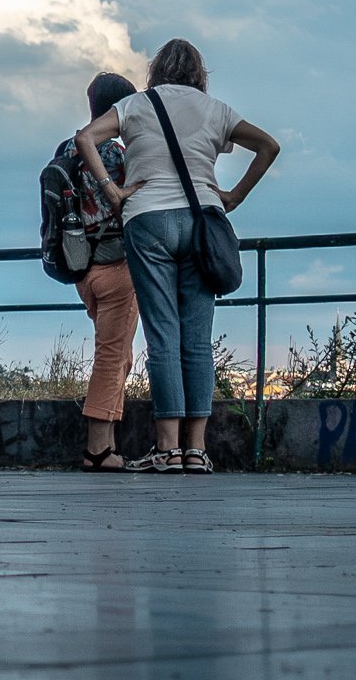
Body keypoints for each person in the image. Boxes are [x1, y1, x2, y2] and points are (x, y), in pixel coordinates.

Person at [76, 38, 280, 474]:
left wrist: (113, 191)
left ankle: (167, 449)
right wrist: (233, 196)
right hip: (203, 220)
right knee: (197, 338)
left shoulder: (135, 105)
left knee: (163, 336)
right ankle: (197, 450)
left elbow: (85, 138)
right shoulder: (216, 110)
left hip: (147, 220)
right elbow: (269, 146)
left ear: (155, 72)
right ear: (200, 75)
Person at [65, 75, 139, 472]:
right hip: (118, 266)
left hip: (82, 268)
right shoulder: (117, 155)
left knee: (119, 355)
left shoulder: (67, 150)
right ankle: (96, 447)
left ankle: (108, 444)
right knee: (111, 357)